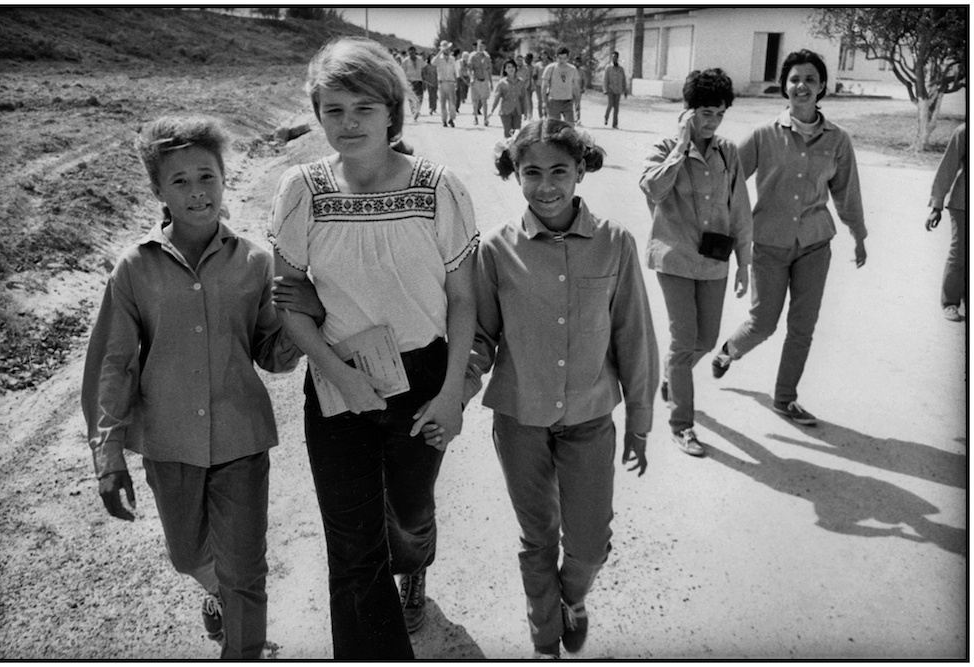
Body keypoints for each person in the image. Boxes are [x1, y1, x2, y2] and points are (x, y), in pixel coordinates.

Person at [269, 37, 478, 659]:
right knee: (353, 546)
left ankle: (414, 561)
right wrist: (340, 374)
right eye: (333, 110)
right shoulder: (300, 189)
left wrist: (452, 396)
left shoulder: (439, 189)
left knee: (408, 515)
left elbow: (463, 299)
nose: (348, 123)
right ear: (318, 115)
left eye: (363, 108)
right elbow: (289, 297)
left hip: (424, 377)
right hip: (338, 379)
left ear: (393, 110)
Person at [81, 116, 303, 659]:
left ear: (224, 179)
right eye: (179, 181)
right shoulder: (134, 268)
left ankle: (243, 646)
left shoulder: (255, 261)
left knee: (246, 569)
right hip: (169, 441)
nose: (197, 191)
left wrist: (303, 323)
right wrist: (108, 458)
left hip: (241, 439)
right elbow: (113, 365)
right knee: (186, 556)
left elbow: (272, 353)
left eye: (207, 176)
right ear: (158, 190)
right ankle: (216, 591)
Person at [463, 119, 659, 659]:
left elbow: (635, 338)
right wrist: (453, 397)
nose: (546, 186)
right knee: (538, 537)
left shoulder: (614, 243)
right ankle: (545, 640)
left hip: (590, 418)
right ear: (515, 175)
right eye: (531, 173)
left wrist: (639, 422)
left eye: (558, 171)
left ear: (580, 172)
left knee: (590, 543)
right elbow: (480, 337)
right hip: (520, 418)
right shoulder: (496, 251)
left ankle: (572, 598)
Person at [712, 49, 868, 426]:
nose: (802, 86)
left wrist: (858, 234)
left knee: (803, 326)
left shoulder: (838, 140)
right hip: (768, 242)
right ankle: (729, 350)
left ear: (822, 88)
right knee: (763, 322)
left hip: (815, 243)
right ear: (784, 85)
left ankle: (785, 399)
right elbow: (727, 182)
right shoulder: (764, 135)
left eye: (810, 79)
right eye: (795, 79)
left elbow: (847, 191)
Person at [639, 69, 752, 456]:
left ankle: (675, 374)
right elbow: (653, 188)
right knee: (684, 340)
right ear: (689, 112)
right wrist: (681, 147)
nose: (714, 121)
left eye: (720, 113)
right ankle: (682, 424)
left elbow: (740, 208)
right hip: (674, 257)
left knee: (705, 340)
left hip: (714, 261)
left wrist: (745, 262)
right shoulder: (664, 147)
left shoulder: (727, 152)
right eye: (706, 112)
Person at [925, 122, 966, 322]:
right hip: (964, 203)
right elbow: (947, 169)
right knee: (960, 253)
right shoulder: (964, 131)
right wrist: (937, 206)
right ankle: (950, 302)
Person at [488, 58, 526, 139]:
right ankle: (507, 150)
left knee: (517, 134)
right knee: (508, 134)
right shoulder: (502, 82)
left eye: (512, 67)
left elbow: (523, 98)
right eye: (508, 67)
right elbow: (497, 97)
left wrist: (525, 112)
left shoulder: (521, 82)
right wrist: (491, 110)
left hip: (517, 111)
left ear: (516, 68)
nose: (511, 69)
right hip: (506, 111)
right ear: (505, 69)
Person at [542, 46, 580, 124]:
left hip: (568, 102)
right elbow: (544, 85)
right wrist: (544, 101)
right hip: (554, 102)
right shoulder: (550, 68)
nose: (562, 60)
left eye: (564, 58)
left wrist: (577, 101)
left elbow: (576, 86)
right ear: (556, 57)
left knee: (570, 126)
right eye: (560, 58)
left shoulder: (572, 69)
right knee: (554, 128)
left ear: (568, 58)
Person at [432, 40, 458, 127]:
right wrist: (440, 52)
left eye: (448, 48)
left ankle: (452, 118)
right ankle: (444, 120)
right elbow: (433, 62)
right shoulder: (439, 59)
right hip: (442, 83)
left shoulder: (452, 59)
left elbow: (455, 71)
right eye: (445, 48)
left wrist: (456, 82)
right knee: (443, 103)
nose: (447, 50)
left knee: (452, 102)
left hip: (451, 82)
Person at [469, 39, 493, 126]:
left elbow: (489, 70)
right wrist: (471, 78)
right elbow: (470, 69)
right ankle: (475, 118)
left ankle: (485, 119)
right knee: (475, 101)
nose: (480, 48)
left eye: (482, 47)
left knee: (484, 101)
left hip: (484, 80)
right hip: (476, 80)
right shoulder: (473, 56)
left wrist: (491, 83)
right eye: (479, 46)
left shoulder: (487, 57)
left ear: (485, 47)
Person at [602, 51, 628, 129]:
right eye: (613, 57)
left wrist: (625, 90)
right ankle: (606, 117)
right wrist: (605, 89)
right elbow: (605, 79)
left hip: (618, 90)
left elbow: (624, 80)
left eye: (616, 57)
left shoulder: (621, 69)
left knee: (616, 108)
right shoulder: (608, 68)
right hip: (610, 89)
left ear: (618, 58)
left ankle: (615, 124)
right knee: (610, 104)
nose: (614, 59)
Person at [401, 45, 425, 121]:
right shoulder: (405, 61)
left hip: (419, 81)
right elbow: (402, 71)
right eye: (410, 52)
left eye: (413, 52)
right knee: (411, 98)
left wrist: (424, 77)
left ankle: (417, 110)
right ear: (408, 53)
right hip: (410, 82)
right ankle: (413, 112)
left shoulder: (420, 60)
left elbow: (424, 69)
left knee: (420, 97)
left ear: (415, 52)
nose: (411, 54)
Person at [532, 51, 552, 120]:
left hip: (548, 85)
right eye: (542, 55)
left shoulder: (550, 65)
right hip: (539, 84)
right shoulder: (537, 65)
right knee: (540, 100)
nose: (544, 56)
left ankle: (546, 115)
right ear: (540, 56)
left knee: (547, 101)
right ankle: (540, 116)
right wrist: (533, 84)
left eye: (545, 55)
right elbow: (534, 75)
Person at [522, 53, 536, 120]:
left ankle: (530, 114)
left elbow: (534, 77)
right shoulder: (522, 67)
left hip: (529, 85)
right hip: (522, 84)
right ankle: (524, 114)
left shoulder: (533, 68)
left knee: (529, 100)